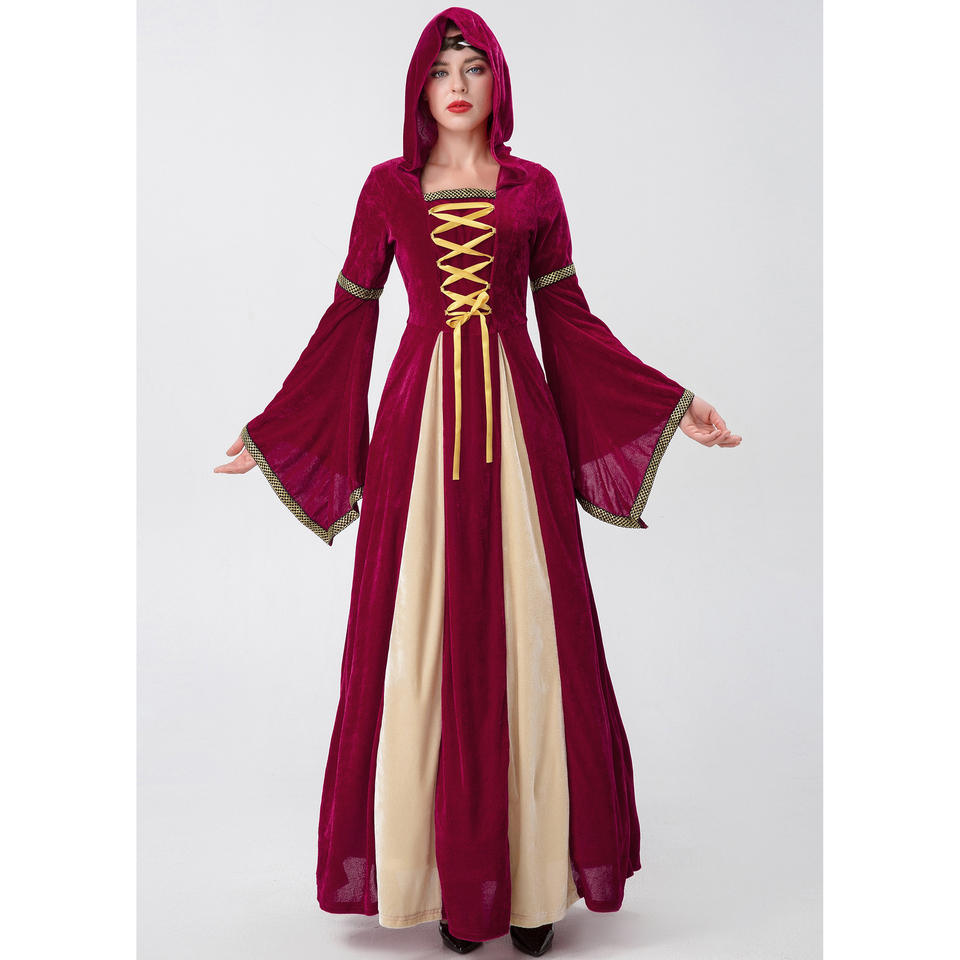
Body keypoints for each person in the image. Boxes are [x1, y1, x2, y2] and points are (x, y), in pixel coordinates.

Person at [214, 7, 741, 956]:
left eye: (476, 68)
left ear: (499, 83)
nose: (457, 85)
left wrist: (676, 399)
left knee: (530, 635)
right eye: (441, 69)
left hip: (518, 431)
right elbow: (348, 318)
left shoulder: (535, 190)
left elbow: (570, 320)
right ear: (418, 87)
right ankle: (449, 883)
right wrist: (277, 424)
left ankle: (532, 886)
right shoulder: (387, 190)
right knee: (420, 637)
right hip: (416, 434)